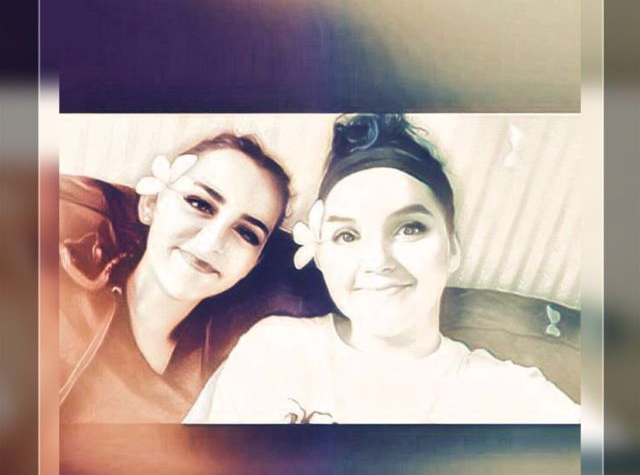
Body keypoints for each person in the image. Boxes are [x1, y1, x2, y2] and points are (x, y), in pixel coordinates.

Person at [185, 114, 580, 424]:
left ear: (453, 248)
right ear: (321, 255)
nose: (377, 261)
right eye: (347, 235)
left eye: (410, 228)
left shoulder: (508, 394)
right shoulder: (276, 351)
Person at [59, 132, 330, 422]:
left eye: (246, 233)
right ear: (150, 204)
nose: (212, 242)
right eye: (200, 204)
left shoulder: (232, 379)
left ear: (255, 262)